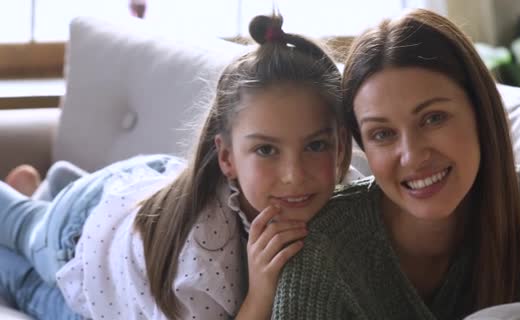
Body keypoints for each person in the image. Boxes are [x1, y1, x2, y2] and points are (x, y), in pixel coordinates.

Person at [0, 13, 360, 320]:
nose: (294, 175)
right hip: (83, 231)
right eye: (266, 150)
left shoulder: (350, 201)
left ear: (340, 144)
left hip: (146, 199)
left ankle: (52, 184)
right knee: (18, 238)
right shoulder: (204, 252)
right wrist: (260, 294)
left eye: (315, 145)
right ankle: (38, 201)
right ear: (227, 158)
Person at [272, 8, 520, 319]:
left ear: (480, 112)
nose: (412, 155)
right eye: (383, 134)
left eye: (433, 118)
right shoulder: (324, 245)